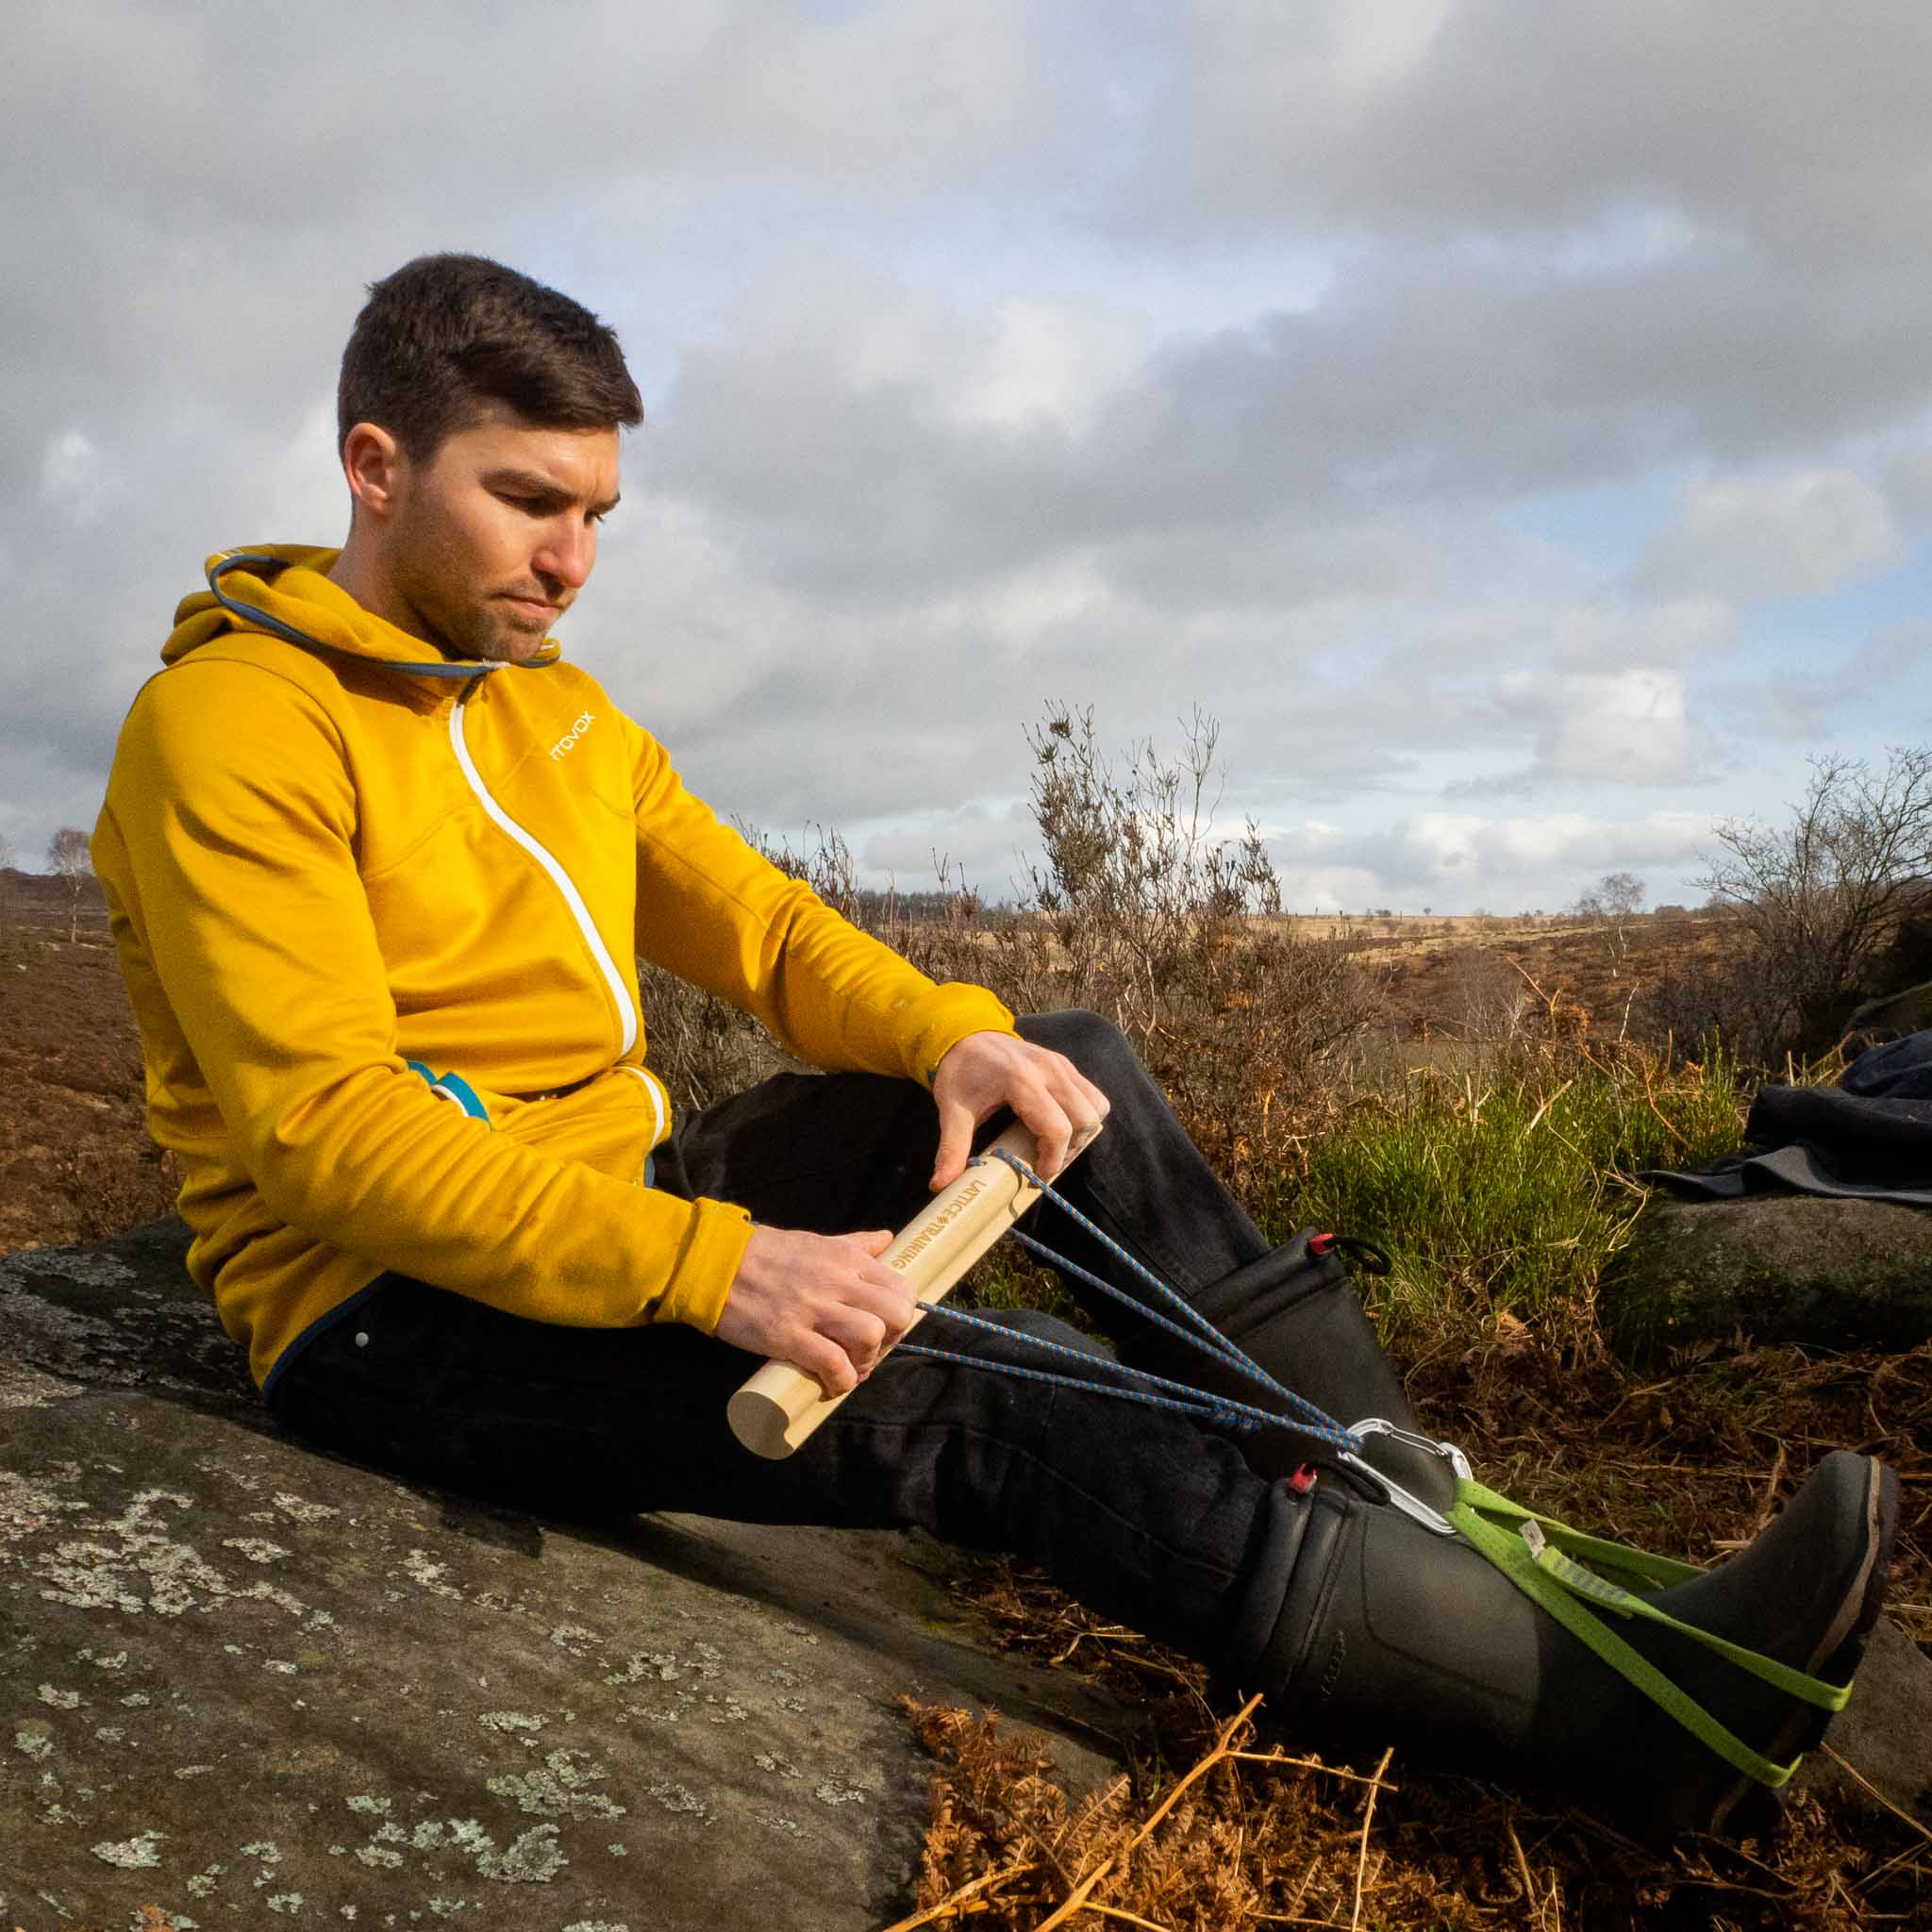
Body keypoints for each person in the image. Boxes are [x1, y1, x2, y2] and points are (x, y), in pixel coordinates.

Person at [92, 254, 1896, 1841]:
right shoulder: (231, 732)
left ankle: (1399, 1503)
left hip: (606, 1196)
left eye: (599, 517)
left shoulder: (556, 713)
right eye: (528, 502)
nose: (571, 562)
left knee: (1063, 1061)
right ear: (374, 467)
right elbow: (328, 1135)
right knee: (963, 1391)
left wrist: (961, 1041)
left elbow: (772, 933)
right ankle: (1645, 1736)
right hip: (390, 1310)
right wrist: (714, 1267)